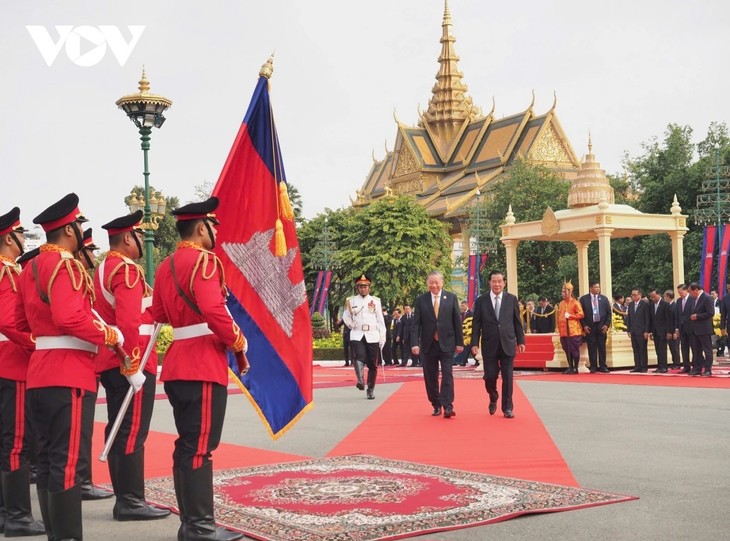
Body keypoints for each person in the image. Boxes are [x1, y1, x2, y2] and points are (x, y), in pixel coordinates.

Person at [15, 193, 124, 541]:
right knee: (66, 462)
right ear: (67, 230)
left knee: (48, 460)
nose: (80, 231)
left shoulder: (30, 268)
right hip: (68, 373)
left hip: (39, 371)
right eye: (78, 225)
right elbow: (69, 316)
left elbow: (18, 321)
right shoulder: (66, 266)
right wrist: (108, 334)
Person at [151, 196, 246, 541]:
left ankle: (190, 523)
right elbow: (213, 310)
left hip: (178, 362)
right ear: (202, 227)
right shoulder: (205, 261)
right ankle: (201, 528)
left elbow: (159, 313)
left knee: (188, 445)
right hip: (202, 363)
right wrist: (238, 340)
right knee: (200, 447)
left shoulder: (165, 266)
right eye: (212, 225)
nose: (215, 232)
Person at [94, 211, 170, 522]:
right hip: (130, 362)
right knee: (132, 431)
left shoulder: (104, 267)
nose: (141, 240)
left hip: (112, 360)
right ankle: (130, 501)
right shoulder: (125, 269)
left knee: (119, 427)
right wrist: (133, 365)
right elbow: (128, 322)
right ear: (128, 237)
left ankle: (125, 497)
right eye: (139, 235)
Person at [0, 207, 45, 536]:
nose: (23, 239)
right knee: (16, 443)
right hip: (12, 362)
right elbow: (8, 321)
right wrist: (36, 345)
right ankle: (17, 516)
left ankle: (6, 512)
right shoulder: (7, 272)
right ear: (8, 238)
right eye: (19, 234)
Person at [73, 229, 116, 502]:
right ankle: (81, 481)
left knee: (81, 427)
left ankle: (82, 479)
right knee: (79, 428)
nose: (92, 255)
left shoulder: (83, 277)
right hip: (77, 362)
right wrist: (110, 336)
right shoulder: (71, 276)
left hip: (87, 360)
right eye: (89, 251)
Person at [470, 270, 524, 418]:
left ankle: (508, 408)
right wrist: (474, 343)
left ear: (504, 283)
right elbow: (476, 324)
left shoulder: (511, 299)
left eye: (500, 281)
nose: (497, 284)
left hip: (508, 343)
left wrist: (521, 340)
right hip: (489, 344)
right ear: (489, 282)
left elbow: (517, 322)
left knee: (508, 378)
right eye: (494, 281)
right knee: (490, 376)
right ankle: (493, 396)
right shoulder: (481, 301)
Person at [411, 270, 463, 418]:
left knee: (447, 375)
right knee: (430, 376)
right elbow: (416, 324)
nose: (434, 285)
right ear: (427, 283)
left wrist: (459, 342)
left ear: (442, 282)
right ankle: (436, 404)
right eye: (431, 282)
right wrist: (415, 343)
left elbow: (457, 322)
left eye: (436, 282)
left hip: (447, 342)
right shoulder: (421, 300)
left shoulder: (451, 298)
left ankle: (448, 406)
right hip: (428, 344)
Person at [342, 275, 386, 399]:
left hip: (372, 334)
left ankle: (370, 389)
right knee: (359, 356)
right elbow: (346, 316)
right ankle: (360, 380)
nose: (363, 289)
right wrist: (351, 324)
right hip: (357, 333)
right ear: (357, 288)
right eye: (361, 287)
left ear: (369, 287)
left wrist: (382, 337)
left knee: (372, 364)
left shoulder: (375, 301)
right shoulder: (351, 301)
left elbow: (380, 320)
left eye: (365, 286)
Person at [579, 281, 611, 373]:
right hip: (590, 327)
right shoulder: (584, 299)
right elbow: (581, 314)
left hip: (601, 326)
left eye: (598, 287)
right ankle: (593, 366)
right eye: (596, 287)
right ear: (590, 288)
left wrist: (606, 325)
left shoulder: (604, 299)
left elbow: (609, 313)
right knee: (591, 347)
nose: (598, 289)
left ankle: (603, 366)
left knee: (602, 347)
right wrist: (584, 326)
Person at [557, 281, 584, 374]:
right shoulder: (561, 303)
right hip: (563, 331)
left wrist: (571, 316)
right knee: (566, 350)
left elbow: (581, 314)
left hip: (573, 331)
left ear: (570, 292)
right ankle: (570, 367)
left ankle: (575, 367)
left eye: (564, 291)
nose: (563, 293)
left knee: (574, 350)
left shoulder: (575, 303)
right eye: (562, 291)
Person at [688, 283, 714, 376]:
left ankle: (708, 369)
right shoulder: (694, 299)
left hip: (704, 328)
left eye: (690, 291)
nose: (689, 294)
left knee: (707, 350)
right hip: (695, 329)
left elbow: (710, 312)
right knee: (697, 350)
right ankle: (697, 368)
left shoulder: (707, 297)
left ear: (695, 290)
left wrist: (698, 316)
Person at [648, 288, 673, 373]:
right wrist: (651, 331)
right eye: (651, 297)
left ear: (658, 295)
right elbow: (651, 319)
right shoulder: (652, 305)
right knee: (658, 350)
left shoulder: (665, 304)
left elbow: (669, 319)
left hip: (663, 331)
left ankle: (664, 367)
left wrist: (669, 331)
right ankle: (659, 366)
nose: (652, 298)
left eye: (654, 296)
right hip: (655, 331)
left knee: (662, 350)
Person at [626, 288, 650, 373]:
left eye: (635, 295)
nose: (633, 296)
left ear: (639, 295)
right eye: (632, 295)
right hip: (633, 331)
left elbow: (647, 319)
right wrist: (629, 329)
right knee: (635, 349)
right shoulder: (631, 304)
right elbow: (629, 318)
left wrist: (646, 331)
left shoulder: (645, 304)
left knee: (642, 349)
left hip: (642, 331)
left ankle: (644, 366)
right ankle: (637, 366)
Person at [674, 284, 695, 373]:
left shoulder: (692, 299)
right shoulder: (679, 301)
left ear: (686, 290)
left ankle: (695, 366)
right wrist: (677, 328)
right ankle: (686, 366)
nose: (680, 294)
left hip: (691, 328)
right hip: (682, 328)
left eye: (681, 292)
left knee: (694, 347)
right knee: (684, 348)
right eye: (678, 292)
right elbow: (677, 315)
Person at [664, 290, 681, 369]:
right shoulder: (668, 306)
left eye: (665, 296)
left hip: (674, 330)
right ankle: (674, 362)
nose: (664, 298)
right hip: (669, 330)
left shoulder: (675, 306)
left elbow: (676, 319)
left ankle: (677, 363)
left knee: (675, 348)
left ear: (668, 296)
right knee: (671, 347)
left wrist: (675, 331)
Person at [453, 301, 473, 366]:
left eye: (463, 306)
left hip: (469, 333)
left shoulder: (471, 313)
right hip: (462, 333)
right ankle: (461, 360)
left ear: (467, 305)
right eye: (461, 306)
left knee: (468, 347)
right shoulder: (461, 314)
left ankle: (463, 360)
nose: (462, 307)